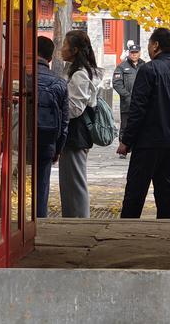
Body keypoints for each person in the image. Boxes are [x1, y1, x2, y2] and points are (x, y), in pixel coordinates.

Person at [118, 27, 170, 219]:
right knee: (167, 190)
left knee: (136, 190)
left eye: (150, 44)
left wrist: (126, 140)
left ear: (156, 45)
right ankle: (168, 230)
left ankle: (125, 232)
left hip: (149, 141)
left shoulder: (148, 69)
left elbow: (138, 108)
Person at [58, 29, 101, 218]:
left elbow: (75, 107)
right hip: (75, 130)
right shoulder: (77, 71)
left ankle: (80, 219)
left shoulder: (80, 74)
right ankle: (72, 216)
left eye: (65, 45)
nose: (62, 49)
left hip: (76, 130)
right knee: (69, 179)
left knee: (74, 179)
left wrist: (57, 112)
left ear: (75, 50)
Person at [36, 35, 69, 218]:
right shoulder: (59, 83)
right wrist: (58, 148)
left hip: (18, 139)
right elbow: (64, 121)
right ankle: (40, 222)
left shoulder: (20, 77)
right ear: (50, 58)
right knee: (42, 185)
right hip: (47, 138)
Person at [112, 42, 144, 150]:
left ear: (139, 53)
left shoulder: (145, 66)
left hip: (141, 102)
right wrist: (126, 95)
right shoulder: (122, 66)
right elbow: (117, 83)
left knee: (141, 125)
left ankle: (137, 146)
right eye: (132, 53)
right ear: (129, 53)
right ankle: (123, 147)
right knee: (125, 126)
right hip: (127, 102)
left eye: (136, 53)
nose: (134, 55)